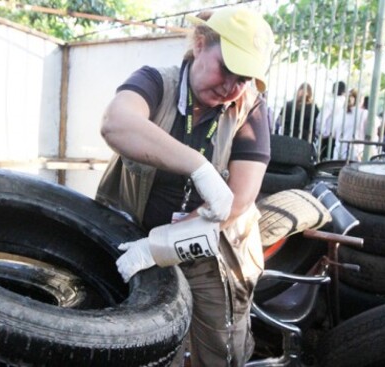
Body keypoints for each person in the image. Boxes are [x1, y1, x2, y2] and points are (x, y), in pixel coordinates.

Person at [95, 8, 273, 366]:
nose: (232, 87)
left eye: (245, 77)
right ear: (200, 44)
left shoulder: (250, 109)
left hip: (211, 251)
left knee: (222, 348)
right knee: (148, 347)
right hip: (137, 240)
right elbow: (116, 123)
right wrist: (198, 166)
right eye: (226, 68)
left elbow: (239, 198)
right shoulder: (155, 82)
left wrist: (165, 246)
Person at [315, 81, 346, 160]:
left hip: (329, 138)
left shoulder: (330, 102)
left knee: (325, 163)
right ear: (344, 92)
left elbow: (320, 119)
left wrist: (322, 133)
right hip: (342, 139)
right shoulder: (346, 104)